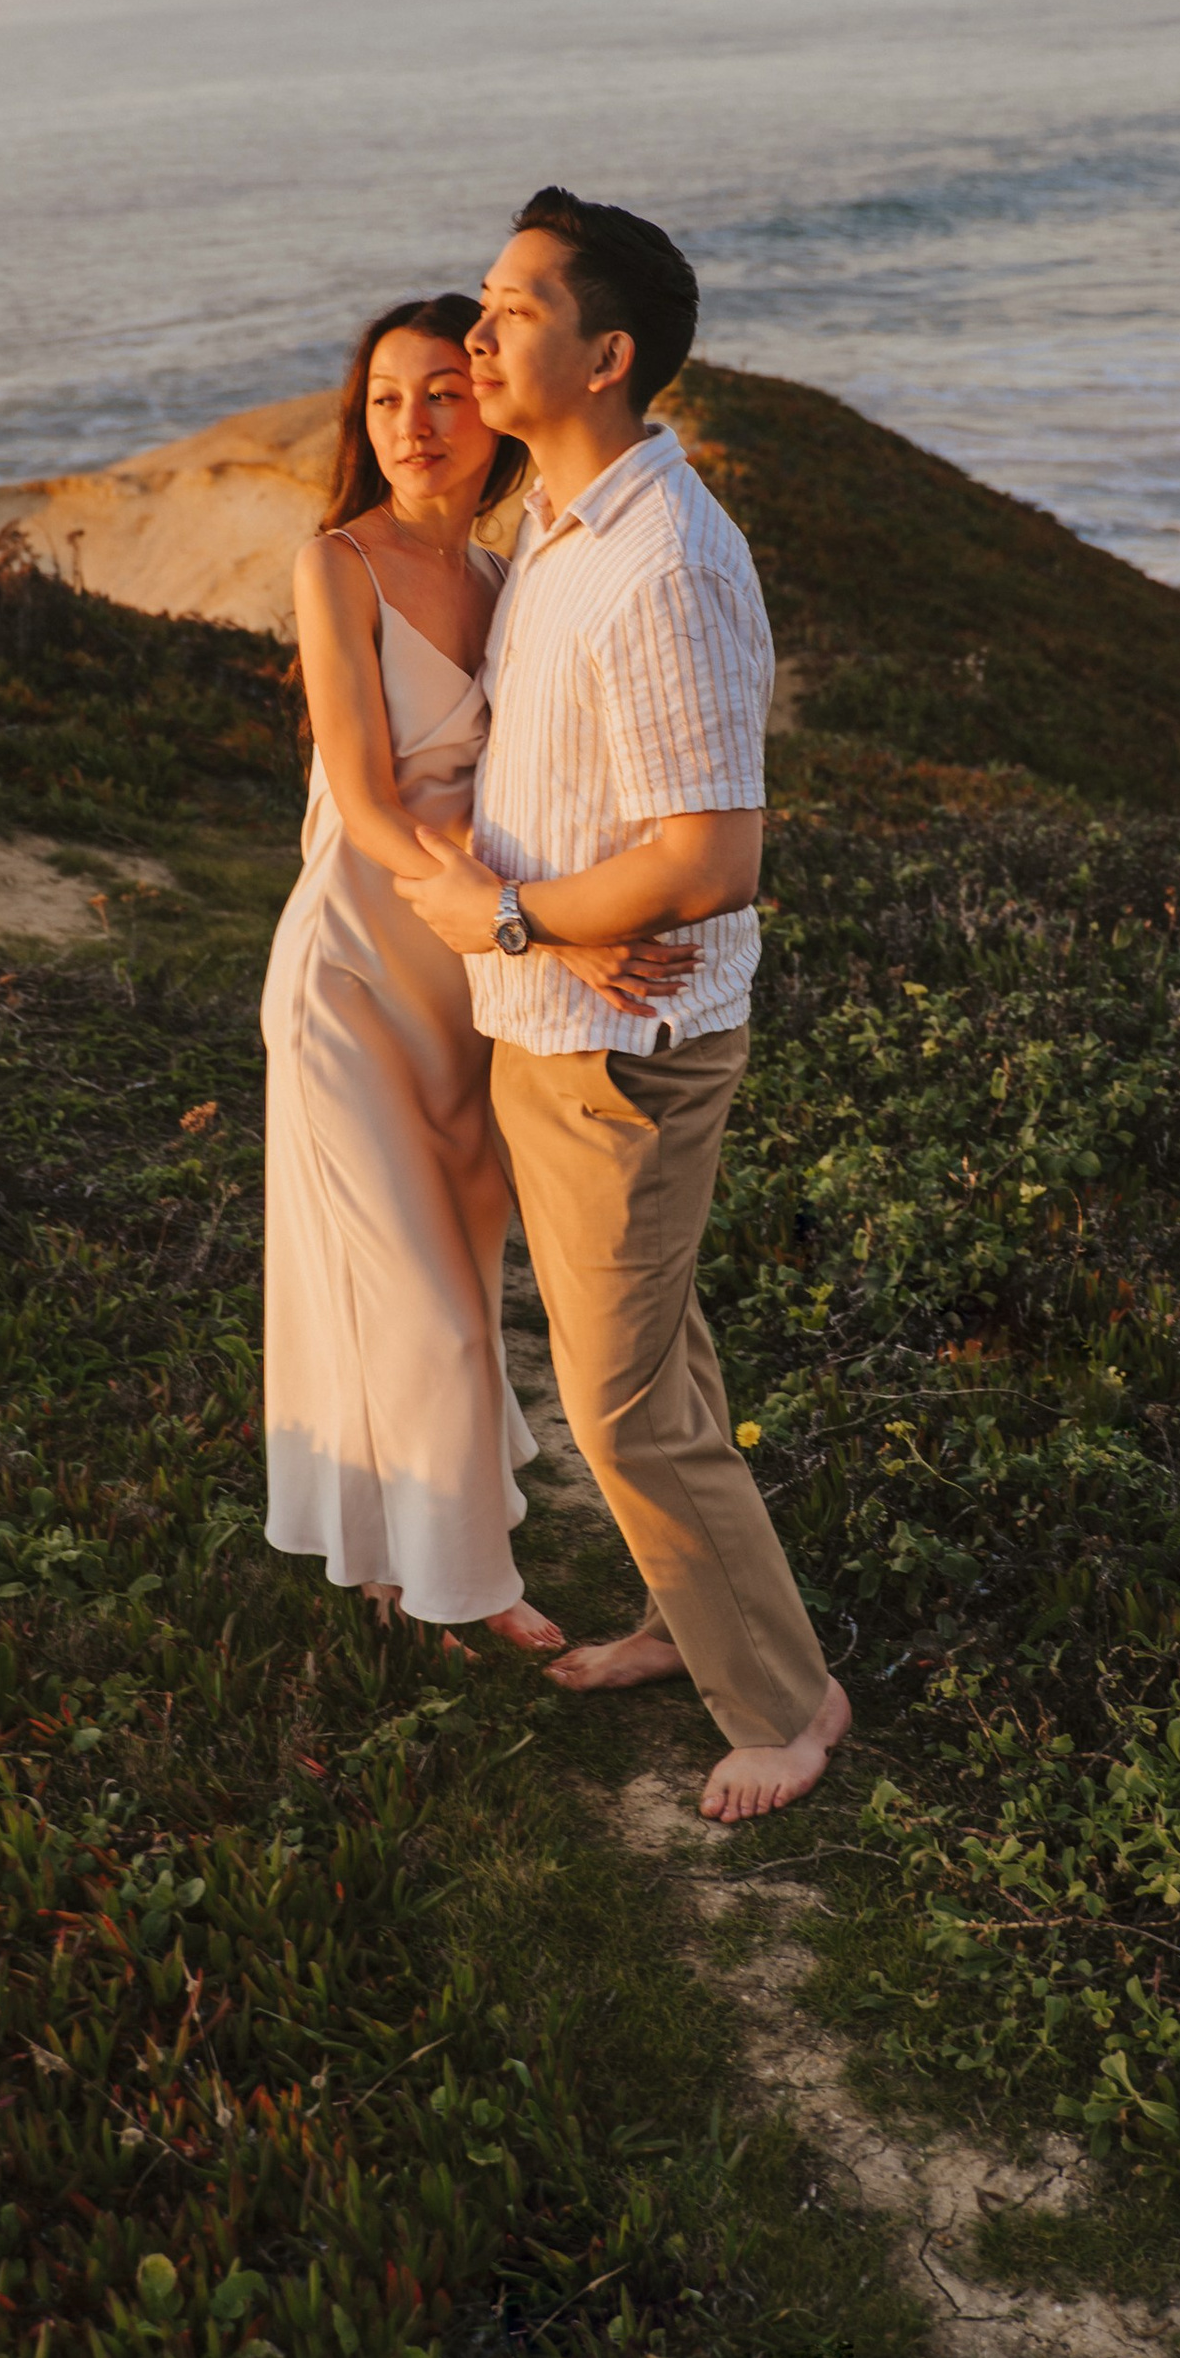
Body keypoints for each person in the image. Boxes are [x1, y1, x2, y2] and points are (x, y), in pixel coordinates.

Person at [397, 189, 851, 1823]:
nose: (474, 331)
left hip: (626, 1048)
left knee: (620, 1404)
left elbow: (712, 856)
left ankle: (789, 1708)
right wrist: (531, 922)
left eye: (512, 309)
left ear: (607, 355)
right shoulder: (565, 528)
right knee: (657, 1358)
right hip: (563, 1015)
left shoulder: (664, 557)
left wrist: (518, 915)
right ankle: (698, 1614)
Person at [260, 293, 686, 1645]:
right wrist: (529, 918)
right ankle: (468, 1588)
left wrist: (573, 928)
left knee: (456, 1267)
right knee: (419, 1299)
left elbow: (550, 788)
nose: (413, 424)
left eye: (443, 391)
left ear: (490, 405)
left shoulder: (514, 585)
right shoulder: (338, 564)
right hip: (354, 973)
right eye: (386, 399)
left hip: (473, 985)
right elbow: (372, 807)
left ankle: (396, 1551)